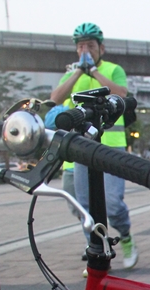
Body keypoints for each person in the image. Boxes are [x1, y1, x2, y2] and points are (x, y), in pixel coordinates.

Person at [50, 22, 138, 271]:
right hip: (81, 149)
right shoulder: (71, 74)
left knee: (112, 203)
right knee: (83, 206)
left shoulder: (113, 69)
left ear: (101, 48)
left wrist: (94, 72)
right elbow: (54, 99)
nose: (85, 50)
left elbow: (122, 94)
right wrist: (78, 72)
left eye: (90, 46)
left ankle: (126, 236)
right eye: (80, 46)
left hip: (111, 147)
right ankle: (96, 251)